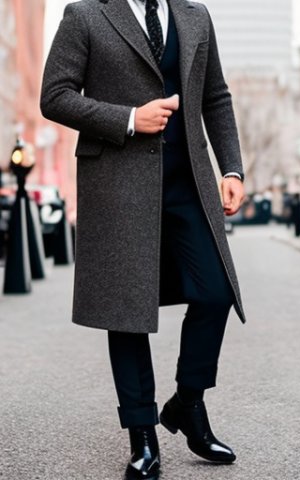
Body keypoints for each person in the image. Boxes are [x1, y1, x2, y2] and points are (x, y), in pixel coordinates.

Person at [40, 0, 246, 478]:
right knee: (127, 312)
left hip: (189, 184)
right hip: (118, 184)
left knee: (215, 292)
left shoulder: (195, 17)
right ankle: (143, 438)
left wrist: (231, 167)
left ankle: (187, 405)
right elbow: (55, 95)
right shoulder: (86, 15)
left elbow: (215, 97)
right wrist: (130, 119)